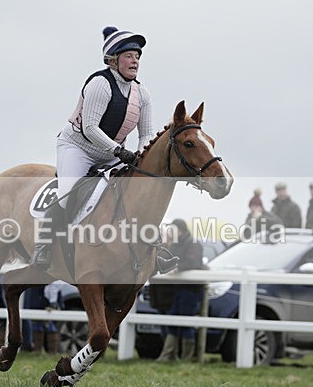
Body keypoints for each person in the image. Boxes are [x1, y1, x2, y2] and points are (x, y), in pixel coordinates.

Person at [31, 26, 155, 268]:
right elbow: (90, 128)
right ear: (113, 60)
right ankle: (43, 246)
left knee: (135, 193)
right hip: (78, 148)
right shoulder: (100, 83)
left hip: (113, 153)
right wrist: (119, 151)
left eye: (138, 56)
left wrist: (141, 155)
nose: (135, 61)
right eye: (129, 56)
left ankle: (150, 250)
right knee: (67, 193)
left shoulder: (143, 93)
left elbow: (147, 133)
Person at [155, 219, 206, 362]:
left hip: (191, 288)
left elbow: (194, 263)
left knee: (186, 320)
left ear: (181, 230)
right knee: (173, 317)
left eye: (174, 229)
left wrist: (178, 268)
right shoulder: (176, 245)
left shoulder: (193, 244)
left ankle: (186, 356)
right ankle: (171, 354)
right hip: (177, 287)